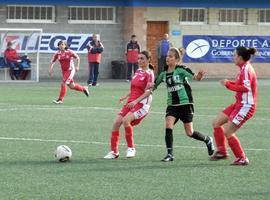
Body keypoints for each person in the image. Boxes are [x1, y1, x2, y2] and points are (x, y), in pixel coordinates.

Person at [153, 47, 215, 162]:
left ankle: (207, 140)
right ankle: (170, 154)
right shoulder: (163, 74)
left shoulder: (181, 70)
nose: (167, 58)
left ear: (176, 60)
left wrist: (200, 76)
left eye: (170, 56)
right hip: (172, 105)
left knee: (190, 132)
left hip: (186, 104)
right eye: (167, 56)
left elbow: (196, 77)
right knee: (168, 124)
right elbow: (153, 86)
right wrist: (148, 88)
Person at [210, 46, 257, 166]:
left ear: (240, 58)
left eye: (234, 55)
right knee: (216, 123)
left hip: (246, 106)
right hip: (238, 104)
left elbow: (245, 88)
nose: (233, 57)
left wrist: (228, 85)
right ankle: (222, 151)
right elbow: (240, 84)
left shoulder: (246, 69)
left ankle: (242, 158)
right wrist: (229, 82)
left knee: (228, 132)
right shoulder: (243, 68)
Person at [104, 50, 155, 159]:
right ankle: (114, 152)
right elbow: (134, 88)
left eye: (142, 59)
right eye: (138, 58)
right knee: (116, 122)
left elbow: (148, 92)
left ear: (148, 60)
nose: (139, 60)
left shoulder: (149, 73)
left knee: (126, 121)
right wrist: (126, 96)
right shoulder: (138, 71)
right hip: (131, 101)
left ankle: (131, 148)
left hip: (141, 103)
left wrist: (135, 101)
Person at [49, 40, 89, 104]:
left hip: (70, 70)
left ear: (65, 45)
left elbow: (78, 58)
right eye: (60, 45)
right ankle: (84, 88)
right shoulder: (57, 53)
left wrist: (77, 66)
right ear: (58, 46)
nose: (61, 46)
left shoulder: (69, 52)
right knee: (71, 86)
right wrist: (50, 69)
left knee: (63, 83)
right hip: (64, 71)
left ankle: (60, 100)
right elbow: (52, 61)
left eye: (63, 44)